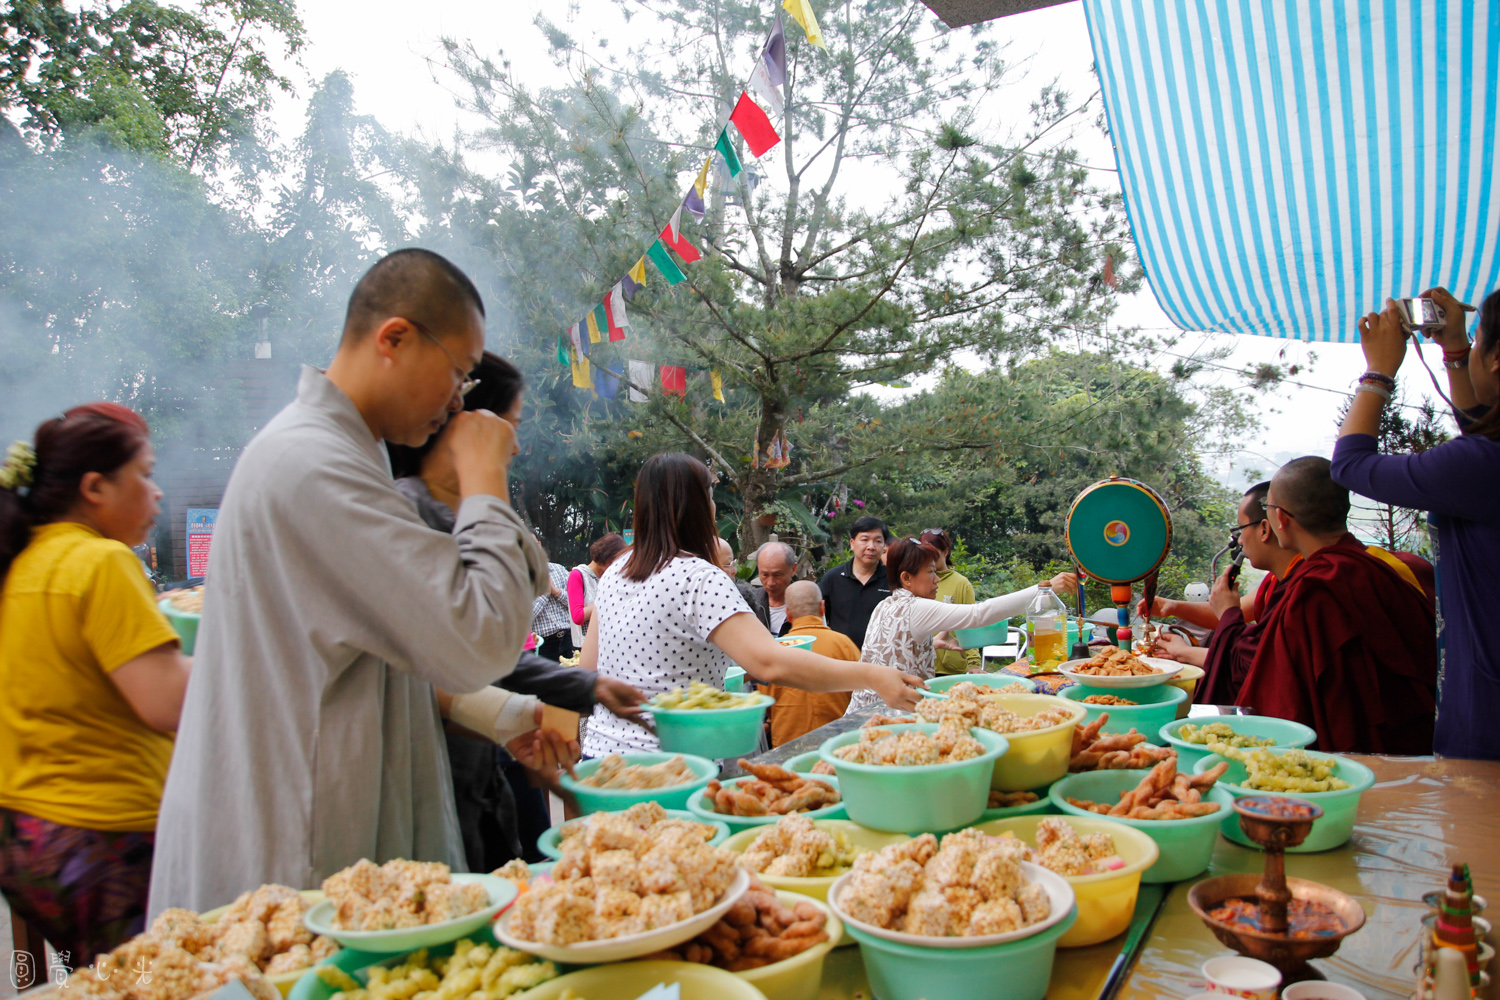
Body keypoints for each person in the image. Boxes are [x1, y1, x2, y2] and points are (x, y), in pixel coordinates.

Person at [149, 249, 554, 916]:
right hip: (294, 844)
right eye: (458, 372)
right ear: (394, 338)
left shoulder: (345, 456)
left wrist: (495, 714)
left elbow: (397, 646)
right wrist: (484, 475)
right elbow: (479, 637)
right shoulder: (313, 464)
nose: (460, 399)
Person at [388, 351, 644, 869]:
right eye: (511, 426)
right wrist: (526, 710)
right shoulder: (404, 514)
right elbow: (475, 641)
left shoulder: (453, 511)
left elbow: (485, 649)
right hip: (435, 776)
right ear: (467, 422)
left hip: (484, 761)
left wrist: (584, 686)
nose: (517, 445)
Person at [0, 404, 191, 962]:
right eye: (145, 473)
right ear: (95, 487)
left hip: (27, 837)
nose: (157, 491)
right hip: (102, 833)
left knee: (101, 980)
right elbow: (167, 701)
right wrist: (243, 656)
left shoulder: (24, 562)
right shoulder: (101, 561)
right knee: (152, 984)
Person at [579, 453, 923, 755]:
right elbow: (769, 663)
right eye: (710, 496)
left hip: (603, 756)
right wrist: (873, 675)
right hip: (674, 766)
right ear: (697, 506)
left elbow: (589, 667)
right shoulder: (699, 577)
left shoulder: (616, 571)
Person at [1331, 287, 1500, 759]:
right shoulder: (1485, 462)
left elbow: (1349, 464)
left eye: (1480, 339)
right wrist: (1456, 349)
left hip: (1487, 714)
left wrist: (1379, 371)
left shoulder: (1481, 466)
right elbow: (1482, 426)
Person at [1230, 457, 1437, 754]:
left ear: (1281, 519)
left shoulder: (1313, 591)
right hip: (1413, 741)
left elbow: (1283, 698)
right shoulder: (1381, 572)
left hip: (1347, 752)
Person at [1150, 482, 1424, 705]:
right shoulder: (1357, 570)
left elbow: (1265, 669)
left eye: (1240, 530)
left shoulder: (1315, 586)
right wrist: (1173, 610)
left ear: (1273, 523)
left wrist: (1223, 616)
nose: (1239, 541)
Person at [846, 538, 1077, 715]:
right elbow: (980, 613)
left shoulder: (886, 604)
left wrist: (931, 644)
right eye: (930, 572)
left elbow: (892, 651)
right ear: (906, 578)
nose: (937, 579)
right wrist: (1045, 588)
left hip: (860, 712)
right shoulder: (916, 607)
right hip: (887, 715)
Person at [762, 581, 857, 745]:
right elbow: (861, 695)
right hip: (837, 744)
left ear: (788, 613)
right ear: (822, 608)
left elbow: (766, 704)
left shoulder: (775, 651)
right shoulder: (845, 645)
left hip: (788, 746)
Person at [818, 516, 892, 650]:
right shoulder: (833, 578)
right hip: (841, 656)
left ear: (884, 546)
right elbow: (819, 618)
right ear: (852, 543)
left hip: (881, 657)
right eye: (865, 540)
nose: (871, 547)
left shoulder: (893, 579)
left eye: (878, 541)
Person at [919, 528, 981, 675]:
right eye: (925, 553)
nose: (929, 558)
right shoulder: (917, 580)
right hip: (921, 664)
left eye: (934, 554)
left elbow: (970, 624)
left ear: (945, 552)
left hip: (950, 667)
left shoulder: (961, 584)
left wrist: (974, 663)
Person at [567, 533, 627, 650]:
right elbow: (578, 616)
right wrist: (605, 599)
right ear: (608, 558)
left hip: (608, 642)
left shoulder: (610, 577)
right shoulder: (578, 575)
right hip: (585, 645)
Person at [748, 541, 796, 636]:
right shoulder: (749, 604)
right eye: (765, 575)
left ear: (793, 569)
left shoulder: (807, 604)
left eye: (777, 575)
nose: (770, 583)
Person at [532, 562, 575, 662]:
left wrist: (557, 592)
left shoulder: (559, 570)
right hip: (543, 644)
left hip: (568, 638)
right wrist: (544, 595)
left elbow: (576, 604)